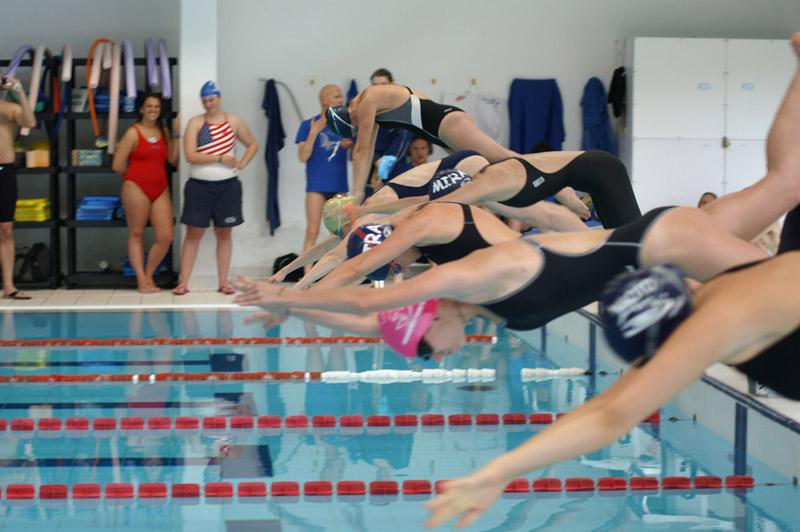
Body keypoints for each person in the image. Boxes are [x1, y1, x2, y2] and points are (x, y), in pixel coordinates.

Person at [235, 31, 800, 359]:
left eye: (428, 350)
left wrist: (293, 292)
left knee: (779, 202)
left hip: (641, 231)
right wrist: (291, 296)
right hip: (633, 243)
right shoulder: (467, 288)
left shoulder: (442, 231)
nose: (441, 357)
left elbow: (361, 278)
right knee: (779, 204)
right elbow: (369, 306)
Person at [325, 83, 588, 221]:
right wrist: (358, 196)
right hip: (441, 130)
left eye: (355, 126)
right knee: (493, 171)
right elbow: (366, 150)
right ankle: (547, 195)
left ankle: (560, 185)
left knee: (502, 157)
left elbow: (361, 150)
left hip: (445, 123)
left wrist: (355, 196)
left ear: (350, 116)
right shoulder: (370, 105)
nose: (359, 127)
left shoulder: (369, 98)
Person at [173, 81, 258, 295]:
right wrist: (220, 158)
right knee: (193, 233)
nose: (208, 104)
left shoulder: (234, 121)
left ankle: (223, 282)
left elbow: (253, 144)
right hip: (198, 187)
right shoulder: (196, 123)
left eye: (211, 100)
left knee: (224, 233)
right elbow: (190, 155)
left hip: (227, 186)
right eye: (204, 101)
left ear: (219, 98)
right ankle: (183, 283)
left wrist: (243, 163)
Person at [112, 94, 180, 293]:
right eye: (149, 106)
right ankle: (141, 280)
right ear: (141, 109)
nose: (153, 110)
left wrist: (177, 136)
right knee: (137, 233)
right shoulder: (133, 133)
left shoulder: (163, 131)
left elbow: (172, 159)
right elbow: (117, 165)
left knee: (166, 236)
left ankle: (149, 275)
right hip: (136, 187)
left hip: (160, 188)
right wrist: (134, 179)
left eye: (156, 106)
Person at [296, 84, 353, 272]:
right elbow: (303, 157)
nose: (341, 100)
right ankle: (307, 276)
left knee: (340, 233)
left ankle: (334, 274)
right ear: (324, 100)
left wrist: (350, 146)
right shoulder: (307, 125)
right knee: (312, 231)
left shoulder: (345, 125)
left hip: (339, 186)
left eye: (341, 96)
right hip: (316, 186)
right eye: (336, 96)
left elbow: (359, 154)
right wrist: (313, 133)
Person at [0, 77, 36, 300]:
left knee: (6, 229)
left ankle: (8, 286)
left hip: (4, 170)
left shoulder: (8, 109)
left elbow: (30, 122)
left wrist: (20, 91)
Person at [367, 68, 414, 191]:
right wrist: (376, 160)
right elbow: (364, 142)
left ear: (392, 85)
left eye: (383, 85)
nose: (379, 89)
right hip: (371, 170)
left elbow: (400, 145)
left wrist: (381, 169)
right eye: (375, 86)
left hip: (396, 171)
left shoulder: (403, 111)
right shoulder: (368, 111)